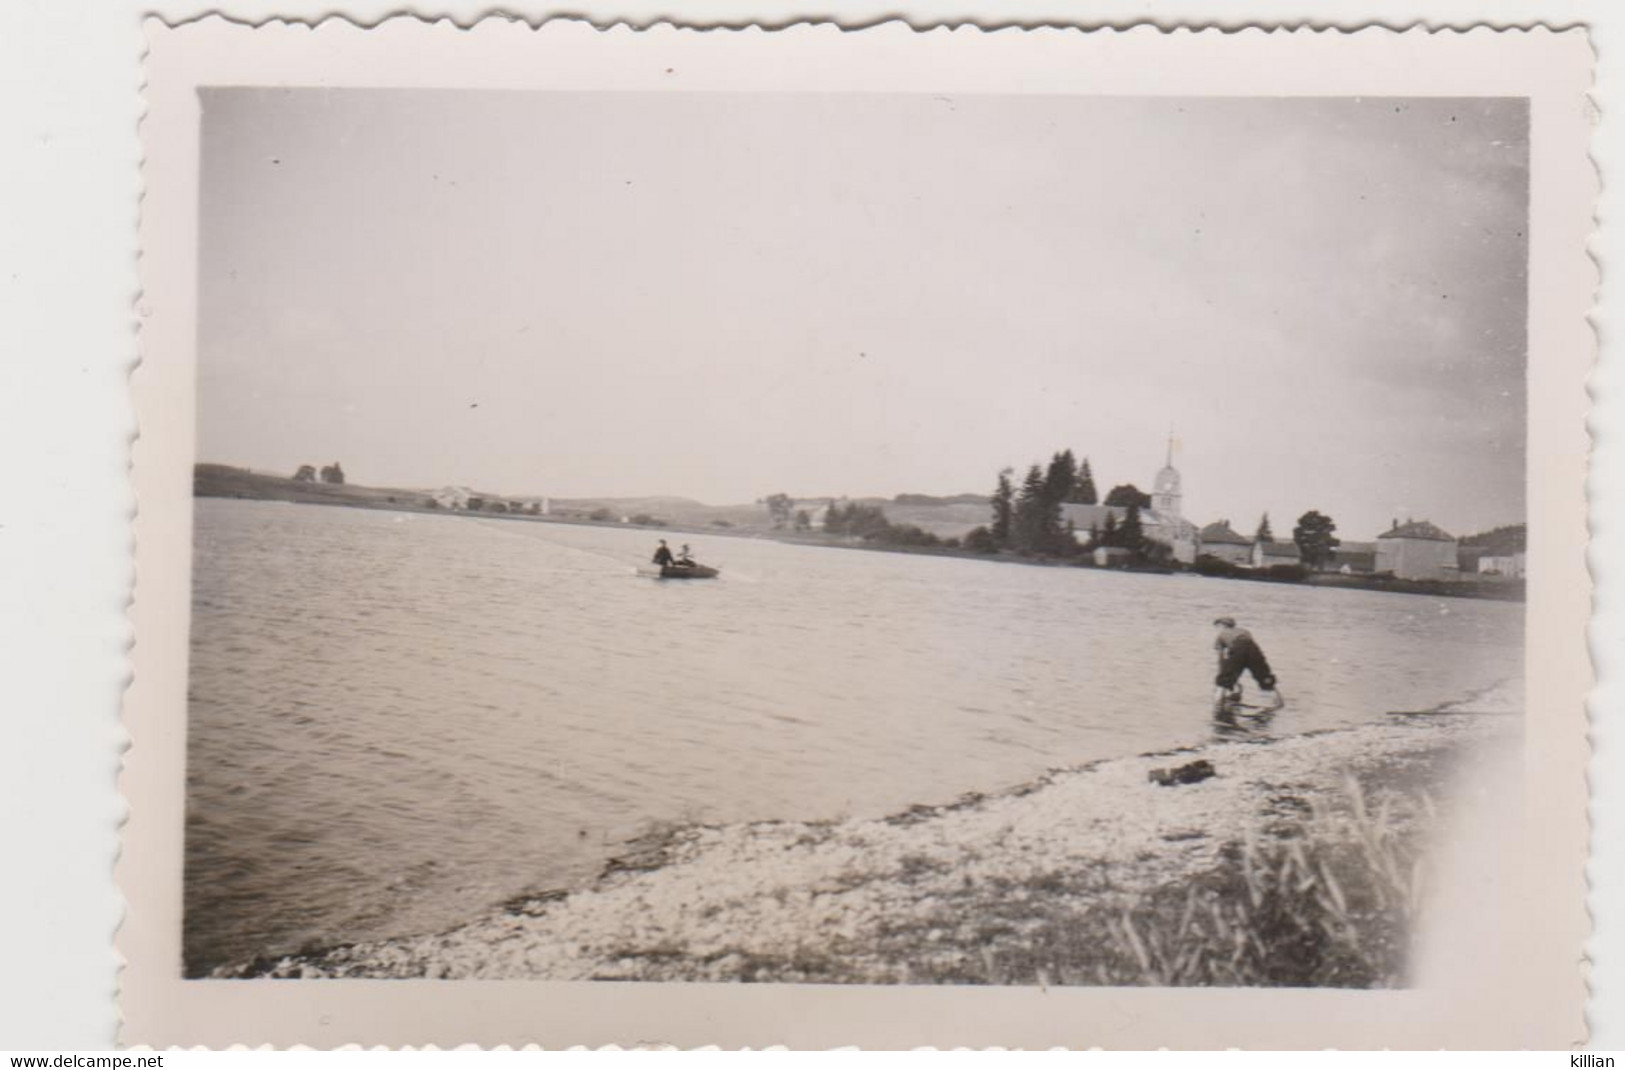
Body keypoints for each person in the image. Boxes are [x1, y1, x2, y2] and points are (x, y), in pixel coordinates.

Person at [1212, 616, 1285, 717]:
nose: (1217, 629)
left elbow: (1221, 658)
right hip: (1253, 649)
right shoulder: (1244, 631)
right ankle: (1280, 704)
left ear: (1222, 625)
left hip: (1237, 648)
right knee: (1265, 677)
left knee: (1223, 682)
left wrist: (1224, 674)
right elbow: (1248, 648)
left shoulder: (1221, 635)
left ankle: (1217, 707)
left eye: (1217, 626)